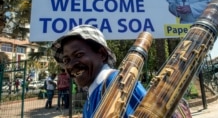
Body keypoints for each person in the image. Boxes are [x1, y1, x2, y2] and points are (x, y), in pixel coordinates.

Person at [51, 24, 191, 117]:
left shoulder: (119, 82)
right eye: (66, 60)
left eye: (79, 55)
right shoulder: (90, 98)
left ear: (101, 54)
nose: (70, 65)